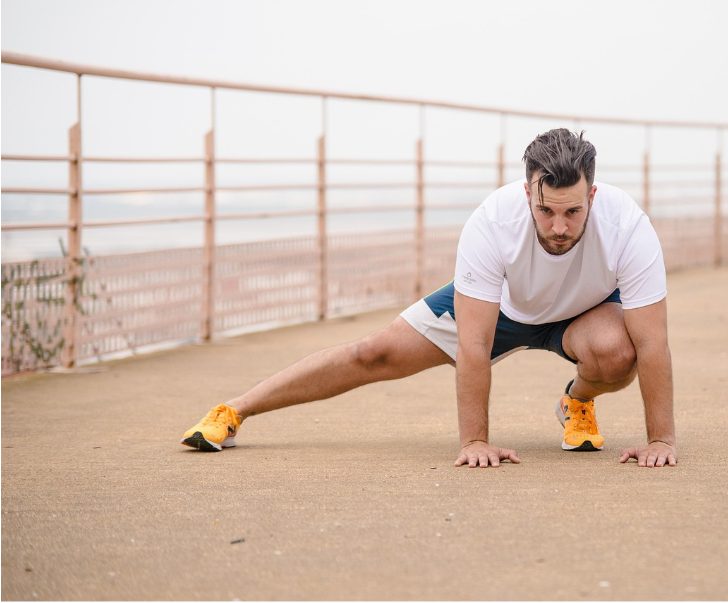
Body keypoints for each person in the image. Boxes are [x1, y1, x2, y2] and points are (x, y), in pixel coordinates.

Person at [181, 128, 676, 469]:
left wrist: (661, 441)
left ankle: (578, 404)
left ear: (592, 196)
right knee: (371, 353)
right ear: (528, 192)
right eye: (546, 211)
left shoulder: (627, 226)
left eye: (571, 211)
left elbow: (653, 344)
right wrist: (475, 441)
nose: (559, 227)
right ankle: (234, 411)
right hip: (502, 306)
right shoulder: (492, 223)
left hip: (584, 314)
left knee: (619, 350)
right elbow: (474, 347)